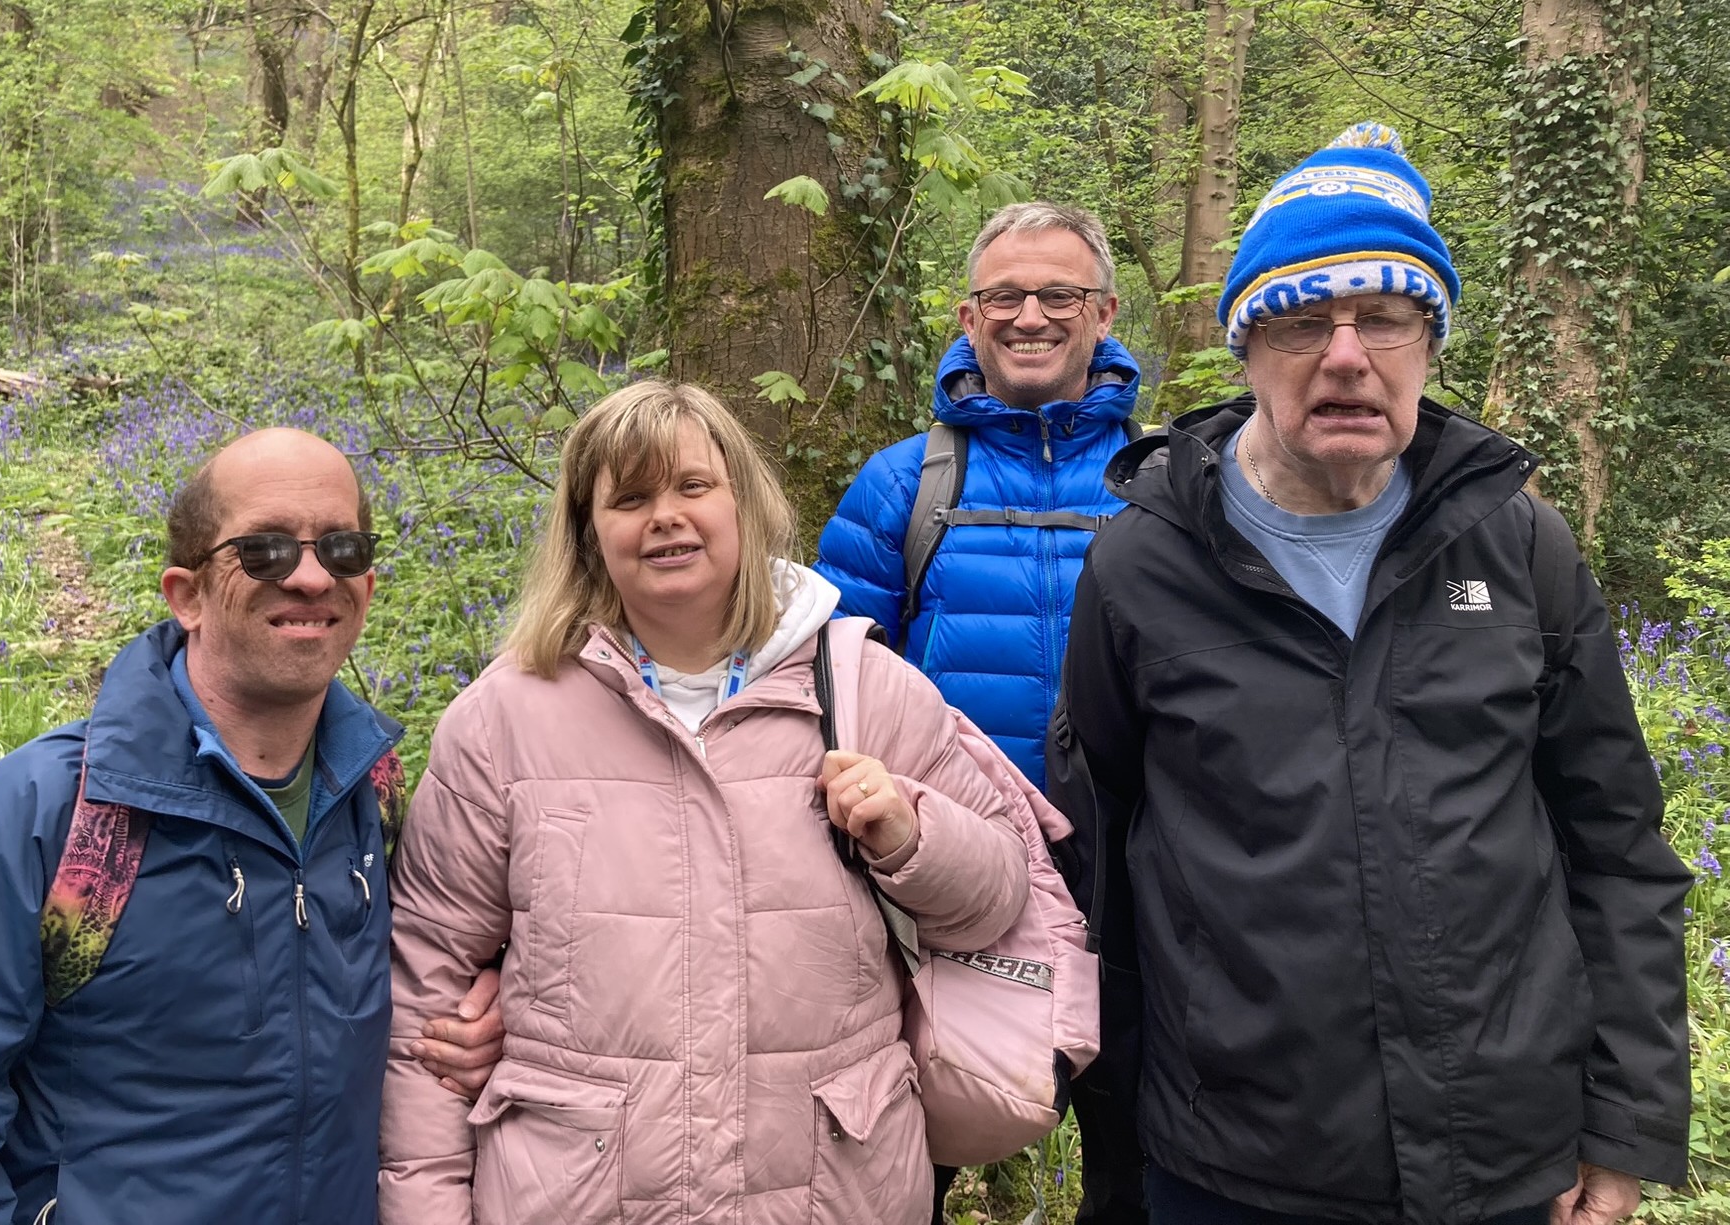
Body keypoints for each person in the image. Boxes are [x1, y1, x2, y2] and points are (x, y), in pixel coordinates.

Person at [1050, 124, 1691, 1225]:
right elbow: (1094, 869)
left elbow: (1616, 851)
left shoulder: (1516, 544)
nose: (1345, 356)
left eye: (1384, 318)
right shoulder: (1142, 563)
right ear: (1245, 348)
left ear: (1426, 342)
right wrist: (1111, 1145)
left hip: (1501, 1160)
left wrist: (1619, 1130)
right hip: (1229, 1164)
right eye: (1301, 323)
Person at [377, 380, 1043, 1225]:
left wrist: (911, 834)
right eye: (629, 498)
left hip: (829, 1190)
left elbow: (995, 902)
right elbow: (426, 992)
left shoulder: (864, 686)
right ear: (589, 532)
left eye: (693, 486)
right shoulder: (504, 716)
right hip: (576, 1192)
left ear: (745, 504)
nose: (665, 516)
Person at [0, 428, 501, 1224]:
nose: (309, 575)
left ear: (366, 584)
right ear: (186, 594)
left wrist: (491, 1006)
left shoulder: (379, 795)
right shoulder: (49, 814)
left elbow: (434, 966)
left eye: (339, 546)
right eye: (263, 550)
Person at [814, 201, 1146, 1221]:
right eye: (1003, 296)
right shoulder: (902, 488)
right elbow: (824, 685)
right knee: (908, 1164)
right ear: (966, 317)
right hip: (953, 887)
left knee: (1142, 1166)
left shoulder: (1166, 482)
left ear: (1103, 311)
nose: (1029, 315)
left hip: (1140, 882)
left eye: (1058, 294)